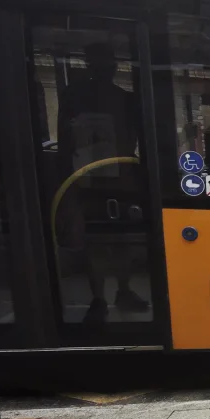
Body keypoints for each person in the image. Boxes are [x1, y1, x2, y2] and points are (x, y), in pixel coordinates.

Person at [57, 42, 148, 324]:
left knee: (122, 240)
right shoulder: (74, 98)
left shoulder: (126, 99)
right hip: (89, 179)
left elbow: (139, 138)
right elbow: (64, 141)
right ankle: (99, 298)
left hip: (120, 178)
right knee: (95, 240)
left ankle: (121, 291)